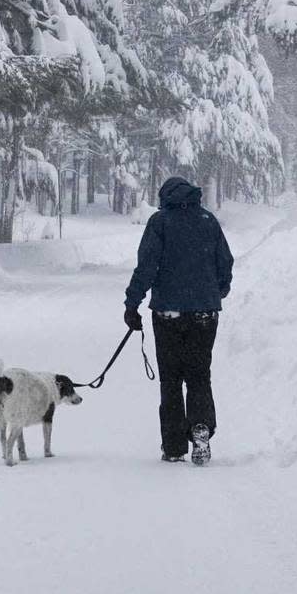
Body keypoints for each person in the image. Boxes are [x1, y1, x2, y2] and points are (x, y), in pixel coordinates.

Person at [123, 175, 233, 464]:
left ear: (166, 197)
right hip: (204, 316)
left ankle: (173, 447)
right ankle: (200, 427)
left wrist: (132, 305)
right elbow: (226, 263)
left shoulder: (160, 223)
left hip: (168, 315)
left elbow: (146, 267)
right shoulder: (208, 221)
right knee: (199, 375)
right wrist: (216, 291)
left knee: (170, 380)